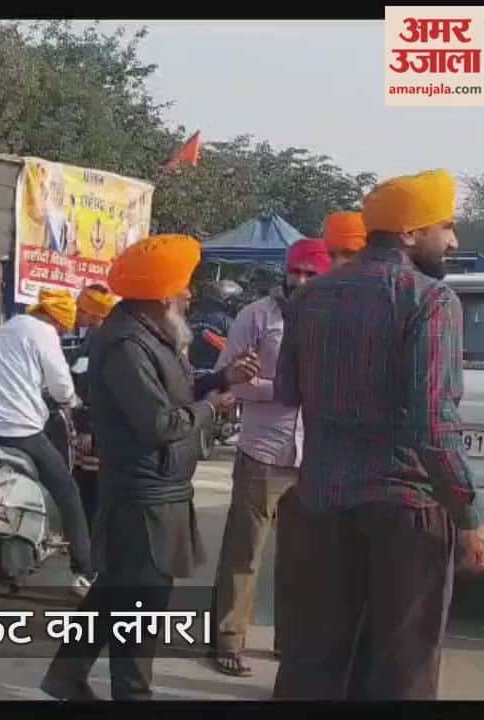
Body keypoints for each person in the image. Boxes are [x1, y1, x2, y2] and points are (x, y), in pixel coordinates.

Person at [272, 170, 484, 700]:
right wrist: (471, 517)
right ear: (411, 233)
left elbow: (286, 393)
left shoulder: (309, 298)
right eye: (446, 226)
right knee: (402, 667)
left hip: (320, 502)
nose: (454, 240)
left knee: (313, 663)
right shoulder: (430, 301)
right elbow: (433, 424)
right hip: (404, 512)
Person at [39, 234, 256, 701]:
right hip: (142, 495)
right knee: (141, 608)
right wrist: (212, 409)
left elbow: (174, 391)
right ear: (161, 297)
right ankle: (132, 695)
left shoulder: (152, 333)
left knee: (114, 593)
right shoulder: (125, 345)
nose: (190, 295)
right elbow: (159, 421)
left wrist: (222, 377)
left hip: (159, 488)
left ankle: (66, 674)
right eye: (184, 287)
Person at [206, 238, 330, 677]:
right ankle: (227, 640)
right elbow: (231, 383)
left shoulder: (334, 320)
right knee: (245, 553)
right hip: (263, 450)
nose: (300, 281)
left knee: (301, 557)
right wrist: (278, 389)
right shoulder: (256, 315)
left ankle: (289, 641)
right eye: (295, 271)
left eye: (311, 274)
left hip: (313, 455)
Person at [0, 288, 94, 587]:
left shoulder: (3, 329)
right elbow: (60, 385)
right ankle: (84, 568)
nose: (61, 333)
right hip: (19, 431)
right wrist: (72, 401)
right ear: (60, 322)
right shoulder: (44, 333)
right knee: (68, 492)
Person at [69, 284, 119, 532]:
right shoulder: (94, 336)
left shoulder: (105, 340)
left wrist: (87, 426)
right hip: (90, 424)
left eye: (82, 308)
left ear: (94, 312)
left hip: (97, 428)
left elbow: (97, 386)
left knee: (91, 488)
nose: (77, 312)